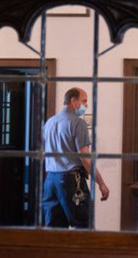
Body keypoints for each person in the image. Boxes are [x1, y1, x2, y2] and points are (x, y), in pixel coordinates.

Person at [42, 87, 110, 228]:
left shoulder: (49, 123)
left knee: (54, 228)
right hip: (71, 179)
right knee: (84, 226)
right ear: (73, 101)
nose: (85, 105)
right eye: (83, 101)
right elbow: (85, 158)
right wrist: (101, 183)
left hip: (50, 180)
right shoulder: (78, 123)